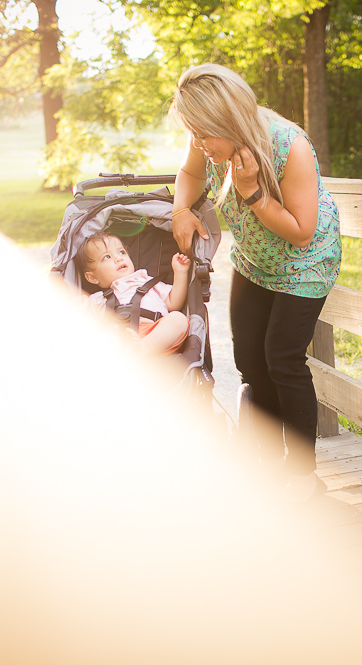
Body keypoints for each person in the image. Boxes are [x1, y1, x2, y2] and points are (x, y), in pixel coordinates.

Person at [168, 63, 341, 498]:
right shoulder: (205, 141)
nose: (201, 145)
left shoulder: (289, 146)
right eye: (195, 134)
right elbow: (189, 175)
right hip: (253, 259)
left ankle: (304, 476)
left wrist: (252, 193)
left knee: (282, 359)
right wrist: (180, 210)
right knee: (249, 359)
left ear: (230, 121)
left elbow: (302, 230)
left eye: (207, 135)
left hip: (304, 262)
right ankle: (264, 463)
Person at [75, 230, 191, 355]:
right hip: (119, 337)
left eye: (121, 252)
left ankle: (142, 349)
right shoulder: (96, 299)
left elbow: (174, 303)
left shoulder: (146, 281)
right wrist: (81, 307)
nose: (118, 258)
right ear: (92, 278)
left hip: (154, 332)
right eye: (107, 257)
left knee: (178, 319)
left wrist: (180, 273)